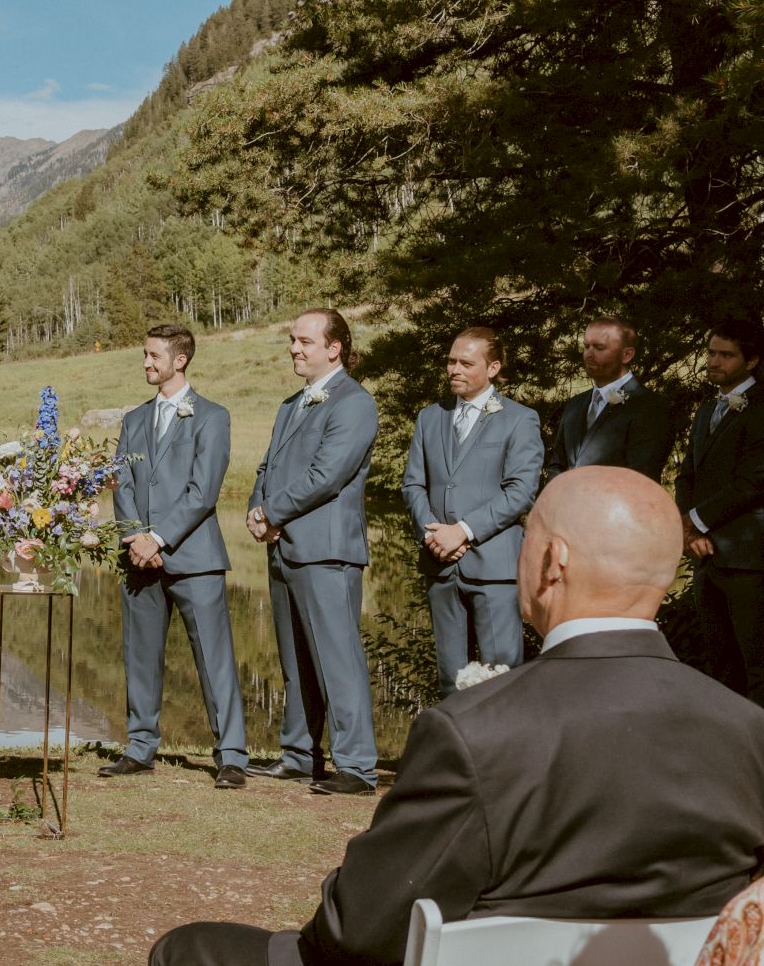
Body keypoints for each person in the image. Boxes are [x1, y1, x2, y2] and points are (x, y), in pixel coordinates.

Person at [150, 467, 764, 966]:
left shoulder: (474, 730)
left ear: (553, 561)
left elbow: (357, 929)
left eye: (524, 539)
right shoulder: (748, 729)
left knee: (187, 949)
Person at [103, 322, 247, 787]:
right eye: (143, 356)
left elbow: (203, 491)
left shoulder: (212, 417)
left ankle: (231, 757)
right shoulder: (133, 420)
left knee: (213, 657)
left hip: (194, 557)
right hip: (138, 558)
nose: (146, 363)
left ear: (179, 360)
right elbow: (121, 484)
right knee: (140, 655)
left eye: (153, 356)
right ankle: (140, 746)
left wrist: (159, 538)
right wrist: (135, 539)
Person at [245, 308, 381, 795]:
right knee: (295, 657)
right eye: (292, 340)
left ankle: (359, 767)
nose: (294, 349)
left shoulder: (354, 403)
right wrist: (254, 508)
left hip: (326, 550)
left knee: (337, 657)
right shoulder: (290, 404)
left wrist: (272, 513)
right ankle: (301, 754)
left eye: (304, 341)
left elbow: (327, 475)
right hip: (284, 547)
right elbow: (268, 465)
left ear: (334, 348)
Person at [401, 327, 544, 696]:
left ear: (493, 367)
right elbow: (413, 484)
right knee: (451, 681)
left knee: (501, 679)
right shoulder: (429, 417)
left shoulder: (519, 419)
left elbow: (522, 492)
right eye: (451, 361)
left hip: (494, 567)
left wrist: (462, 530)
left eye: (466, 362)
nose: (454, 369)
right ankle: (456, 754)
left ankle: (504, 755)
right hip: (440, 563)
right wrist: (432, 533)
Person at [678, 317, 764, 705]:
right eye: (711, 352)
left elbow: (751, 483)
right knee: (721, 668)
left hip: (749, 562)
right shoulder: (705, 412)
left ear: (752, 361)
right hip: (707, 559)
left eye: (726, 355)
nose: (713, 361)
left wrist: (695, 524)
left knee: (757, 667)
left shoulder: (761, 409)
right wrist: (687, 528)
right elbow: (687, 476)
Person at [545, 315, 674, 481]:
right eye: (586, 346)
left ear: (627, 354)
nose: (589, 354)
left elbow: (640, 476)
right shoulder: (575, 404)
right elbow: (557, 464)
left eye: (599, 348)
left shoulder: (650, 407)